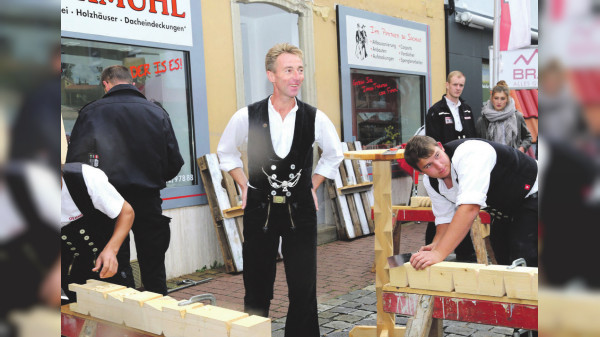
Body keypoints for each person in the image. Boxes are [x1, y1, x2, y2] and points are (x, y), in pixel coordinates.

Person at [217, 43, 343, 337]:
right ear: (271, 75)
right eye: (289, 70)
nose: (296, 77)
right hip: (259, 208)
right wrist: (243, 185)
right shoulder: (247, 115)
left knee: (303, 286)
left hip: (300, 210)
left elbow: (334, 154)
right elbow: (226, 153)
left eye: (300, 70)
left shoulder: (315, 117)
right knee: (257, 284)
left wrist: (311, 185)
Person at [66, 65, 184, 295]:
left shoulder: (91, 112)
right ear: (131, 82)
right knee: (153, 265)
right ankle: (156, 320)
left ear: (106, 84)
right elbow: (174, 163)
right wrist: (151, 179)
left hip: (107, 203)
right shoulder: (156, 112)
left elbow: (76, 164)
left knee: (113, 266)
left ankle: (120, 323)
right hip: (148, 199)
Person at [403, 136, 538, 270]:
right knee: (503, 258)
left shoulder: (469, 154)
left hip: (535, 192)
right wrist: (436, 245)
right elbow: (445, 218)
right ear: (420, 171)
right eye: (428, 165)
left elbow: (470, 208)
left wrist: (439, 253)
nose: (439, 166)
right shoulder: (430, 182)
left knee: (525, 257)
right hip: (504, 207)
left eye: (437, 156)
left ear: (440, 146)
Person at [61, 162, 135, 303]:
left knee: (120, 304)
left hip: (106, 243)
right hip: (69, 257)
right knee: (72, 306)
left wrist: (111, 250)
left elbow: (126, 212)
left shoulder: (85, 177)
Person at [424, 71, 477, 262]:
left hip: (464, 166)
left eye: (461, 85)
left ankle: (466, 253)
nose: (458, 88)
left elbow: (474, 137)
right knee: (443, 207)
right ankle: (433, 246)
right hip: (444, 166)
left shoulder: (468, 109)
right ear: (447, 85)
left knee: (462, 206)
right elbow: (431, 142)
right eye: (455, 84)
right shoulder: (435, 111)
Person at [476, 81, 532, 153]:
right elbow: (478, 143)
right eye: (496, 98)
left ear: (507, 100)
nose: (499, 102)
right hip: (492, 160)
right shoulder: (483, 120)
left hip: (513, 159)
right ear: (492, 99)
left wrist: (522, 148)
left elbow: (527, 137)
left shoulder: (517, 116)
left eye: (502, 98)